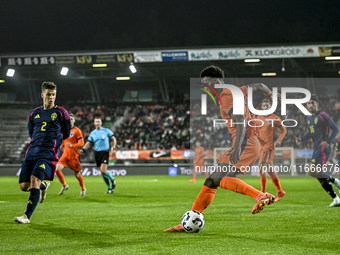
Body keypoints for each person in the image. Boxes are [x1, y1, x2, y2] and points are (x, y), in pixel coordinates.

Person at [165, 65, 276, 232]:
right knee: (212, 180)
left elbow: (240, 120)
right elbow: (260, 86)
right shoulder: (238, 91)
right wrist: (271, 95)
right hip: (249, 142)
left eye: (206, 83)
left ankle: (260, 195)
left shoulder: (226, 97)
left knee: (220, 179)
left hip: (245, 142)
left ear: (215, 81)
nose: (204, 88)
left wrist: (238, 147)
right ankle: (189, 220)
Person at [15, 82, 71, 224]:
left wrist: (53, 142)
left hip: (48, 154)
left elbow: (66, 133)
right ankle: (43, 186)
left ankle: (26, 216)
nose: (51, 97)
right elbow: (31, 133)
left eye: (53, 95)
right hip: (32, 152)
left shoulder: (61, 113)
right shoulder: (34, 113)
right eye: (48, 94)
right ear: (42, 95)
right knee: (24, 186)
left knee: (34, 179)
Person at [296, 94, 340, 207]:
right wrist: (302, 139)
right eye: (309, 103)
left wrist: (328, 141)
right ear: (306, 106)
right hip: (316, 149)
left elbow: (335, 129)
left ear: (317, 104)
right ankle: (336, 199)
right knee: (319, 177)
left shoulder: (323, 115)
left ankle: (336, 181)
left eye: (313, 103)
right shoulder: (309, 118)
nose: (311, 105)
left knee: (311, 171)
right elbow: (311, 133)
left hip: (323, 149)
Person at [257, 98, 287, 201]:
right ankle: (280, 191)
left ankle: (262, 193)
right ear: (262, 107)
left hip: (269, 147)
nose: (266, 107)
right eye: (264, 106)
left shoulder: (275, 118)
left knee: (260, 167)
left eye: (267, 106)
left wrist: (279, 140)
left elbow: (283, 130)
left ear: (271, 107)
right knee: (269, 169)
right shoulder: (259, 117)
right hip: (261, 147)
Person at [80, 117, 116, 194]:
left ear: (101, 123)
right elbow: (89, 142)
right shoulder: (93, 133)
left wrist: (113, 148)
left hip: (105, 152)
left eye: (99, 121)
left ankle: (112, 179)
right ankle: (110, 188)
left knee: (103, 171)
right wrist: (83, 149)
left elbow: (113, 139)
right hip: (97, 153)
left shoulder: (106, 130)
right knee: (102, 173)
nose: (97, 123)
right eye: (96, 122)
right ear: (94, 123)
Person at [56, 113, 86, 197]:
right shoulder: (64, 130)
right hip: (65, 155)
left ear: (74, 120)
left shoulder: (77, 130)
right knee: (57, 169)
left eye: (71, 119)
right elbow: (62, 140)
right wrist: (61, 146)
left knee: (77, 174)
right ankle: (65, 185)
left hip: (74, 156)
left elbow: (81, 143)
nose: (70, 121)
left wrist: (72, 145)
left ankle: (83, 188)